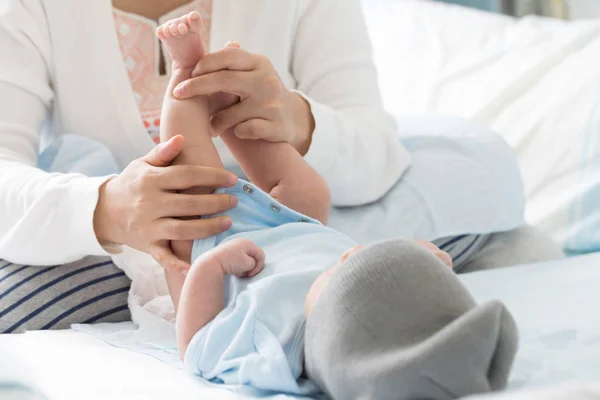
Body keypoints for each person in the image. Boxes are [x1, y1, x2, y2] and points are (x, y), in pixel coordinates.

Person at [0, 0, 562, 333]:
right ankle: (356, 259)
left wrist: (295, 119)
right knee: (506, 220)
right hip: (199, 221)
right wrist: (105, 207)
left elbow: (375, 151)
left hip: (206, 234)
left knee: (475, 160)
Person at [156, 14, 518, 398]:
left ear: (326, 328)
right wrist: (419, 261)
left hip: (212, 245)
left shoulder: (271, 353)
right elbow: (394, 291)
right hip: (297, 226)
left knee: (190, 179)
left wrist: (212, 268)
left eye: (343, 272)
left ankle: (185, 75)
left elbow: (197, 344)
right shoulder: (368, 318)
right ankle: (235, 108)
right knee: (313, 191)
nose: (348, 259)